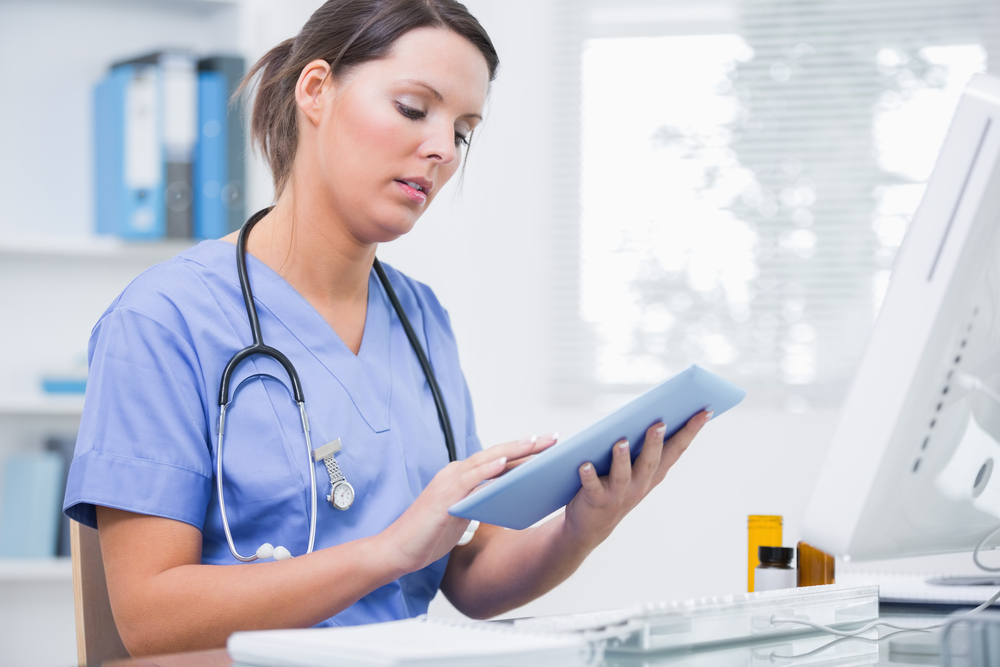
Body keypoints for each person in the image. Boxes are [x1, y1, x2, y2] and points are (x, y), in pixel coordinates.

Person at [64, 0, 710, 657]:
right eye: (412, 108)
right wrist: (385, 552)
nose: (439, 149)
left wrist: (583, 525)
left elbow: (467, 573)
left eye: (462, 131)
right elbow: (150, 618)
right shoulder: (164, 320)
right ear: (315, 90)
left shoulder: (420, 318)